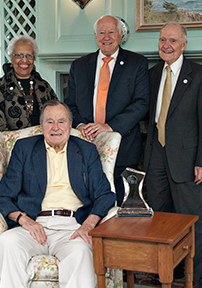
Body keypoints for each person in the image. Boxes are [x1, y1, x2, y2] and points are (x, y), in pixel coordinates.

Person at [0, 99, 116, 288]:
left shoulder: (86, 150)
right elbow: (2, 197)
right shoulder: (24, 149)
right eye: (49, 121)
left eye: (61, 121)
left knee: (81, 253)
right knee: (8, 241)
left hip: (71, 227)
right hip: (33, 224)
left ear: (70, 125)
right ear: (41, 126)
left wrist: (88, 225)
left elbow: (105, 195)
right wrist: (25, 220)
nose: (55, 127)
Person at [143, 22, 202, 288]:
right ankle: (164, 269)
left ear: (184, 44)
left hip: (187, 159)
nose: (166, 45)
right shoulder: (151, 75)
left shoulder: (200, 75)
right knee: (160, 218)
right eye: (162, 40)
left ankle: (195, 275)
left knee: (190, 218)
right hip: (156, 158)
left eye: (172, 40)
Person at [64, 15, 150, 207]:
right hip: (85, 145)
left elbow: (142, 103)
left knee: (122, 205)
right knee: (87, 202)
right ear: (95, 35)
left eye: (111, 31)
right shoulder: (79, 66)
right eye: (102, 32)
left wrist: (110, 126)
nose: (106, 36)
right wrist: (80, 125)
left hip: (124, 147)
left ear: (121, 35)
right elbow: (69, 104)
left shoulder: (137, 63)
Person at [0, 35, 57, 133]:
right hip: (14, 145)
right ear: (11, 58)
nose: (24, 60)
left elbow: (57, 116)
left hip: (43, 144)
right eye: (19, 55)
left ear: (34, 58)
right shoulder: (0, 87)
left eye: (29, 56)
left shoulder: (44, 86)